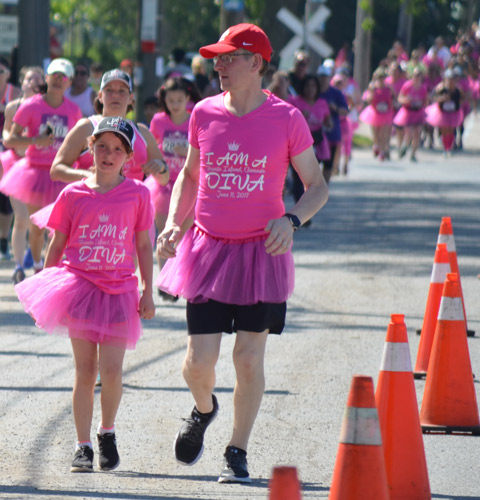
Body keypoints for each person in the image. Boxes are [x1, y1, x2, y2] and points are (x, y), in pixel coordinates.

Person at [156, 23, 328, 483]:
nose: (219, 65)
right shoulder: (203, 113)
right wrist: (175, 223)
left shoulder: (287, 118)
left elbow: (317, 187)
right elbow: (190, 177)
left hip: (262, 254)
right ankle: (203, 408)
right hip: (208, 251)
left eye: (229, 57)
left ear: (256, 63)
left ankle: (237, 448)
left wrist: (292, 221)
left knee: (249, 359)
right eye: (217, 58)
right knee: (197, 365)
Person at [15, 116, 155, 473]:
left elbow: (142, 244)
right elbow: (57, 242)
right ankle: (83, 446)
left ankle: (107, 431)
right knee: (84, 370)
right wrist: (44, 286)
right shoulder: (73, 193)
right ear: (90, 149)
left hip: (120, 291)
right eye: (102, 147)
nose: (109, 155)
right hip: (79, 287)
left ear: (128, 157)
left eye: (118, 149)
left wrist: (147, 290)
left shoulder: (138, 193)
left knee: (111, 372)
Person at [0, 58, 82, 274]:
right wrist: (35, 141)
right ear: (46, 77)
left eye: (63, 77)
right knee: (36, 229)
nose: (58, 80)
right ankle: (37, 265)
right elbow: (9, 138)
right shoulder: (31, 106)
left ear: (69, 82)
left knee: (58, 231)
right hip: (35, 173)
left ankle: (50, 271)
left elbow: (79, 143)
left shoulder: (73, 111)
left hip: (62, 174)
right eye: (54, 75)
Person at [147, 77, 200, 300]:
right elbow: (151, 149)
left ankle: (180, 278)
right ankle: (165, 283)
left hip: (188, 183)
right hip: (163, 185)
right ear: (164, 100)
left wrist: (184, 152)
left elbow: (204, 150)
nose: (176, 104)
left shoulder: (194, 119)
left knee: (184, 236)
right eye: (171, 100)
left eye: (180, 99)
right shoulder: (158, 121)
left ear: (188, 98)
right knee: (165, 236)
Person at [1, 66, 45, 283]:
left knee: (40, 223)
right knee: (20, 218)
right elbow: (6, 134)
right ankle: (18, 266)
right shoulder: (12, 107)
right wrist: (20, 140)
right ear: (22, 82)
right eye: (29, 78)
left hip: (42, 169)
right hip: (18, 167)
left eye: (38, 79)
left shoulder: (48, 108)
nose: (33, 82)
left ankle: (37, 259)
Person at [289, 74, 332, 199]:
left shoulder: (322, 103)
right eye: (307, 85)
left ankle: (308, 208)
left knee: (311, 177)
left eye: (313, 86)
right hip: (298, 142)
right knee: (298, 177)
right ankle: (300, 208)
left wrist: (328, 123)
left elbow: (328, 122)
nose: (310, 89)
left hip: (316, 142)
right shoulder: (295, 101)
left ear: (317, 88)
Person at [0, 56, 21, 260]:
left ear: (8, 73)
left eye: (1, 72)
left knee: (6, 197)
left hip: (8, 150)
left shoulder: (15, 94)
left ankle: (4, 239)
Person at [317, 64, 349, 181]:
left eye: (325, 76)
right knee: (314, 163)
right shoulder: (313, 90)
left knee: (328, 164)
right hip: (315, 134)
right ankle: (313, 188)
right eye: (321, 76)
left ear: (329, 77)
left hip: (332, 133)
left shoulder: (336, 93)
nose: (323, 79)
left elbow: (345, 111)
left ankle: (324, 187)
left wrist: (335, 108)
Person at [425, 68, 464, 157]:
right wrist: (442, 99)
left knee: (451, 130)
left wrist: (458, 102)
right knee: (444, 130)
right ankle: (445, 148)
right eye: (449, 80)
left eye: (452, 80)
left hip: (454, 113)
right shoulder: (441, 88)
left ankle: (449, 148)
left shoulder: (458, 90)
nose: (450, 82)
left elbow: (463, 98)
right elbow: (434, 97)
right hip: (443, 113)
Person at [359, 67, 395, 161]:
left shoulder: (388, 88)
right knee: (376, 133)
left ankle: (382, 152)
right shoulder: (372, 87)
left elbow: (391, 99)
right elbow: (368, 99)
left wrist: (390, 108)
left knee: (383, 133)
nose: (381, 79)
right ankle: (376, 145)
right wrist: (371, 96)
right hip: (374, 112)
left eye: (382, 77)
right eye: (379, 77)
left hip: (385, 113)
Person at [394, 67, 428, 162]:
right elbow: (400, 98)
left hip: (418, 112)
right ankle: (404, 146)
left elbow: (425, 100)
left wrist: (423, 106)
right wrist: (406, 100)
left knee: (417, 133)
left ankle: (413, 154)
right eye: (415, 76)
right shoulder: (407, 86)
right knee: (408, 132)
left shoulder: (423, 88)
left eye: (418, 76)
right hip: (408, 112)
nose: (416, 78)